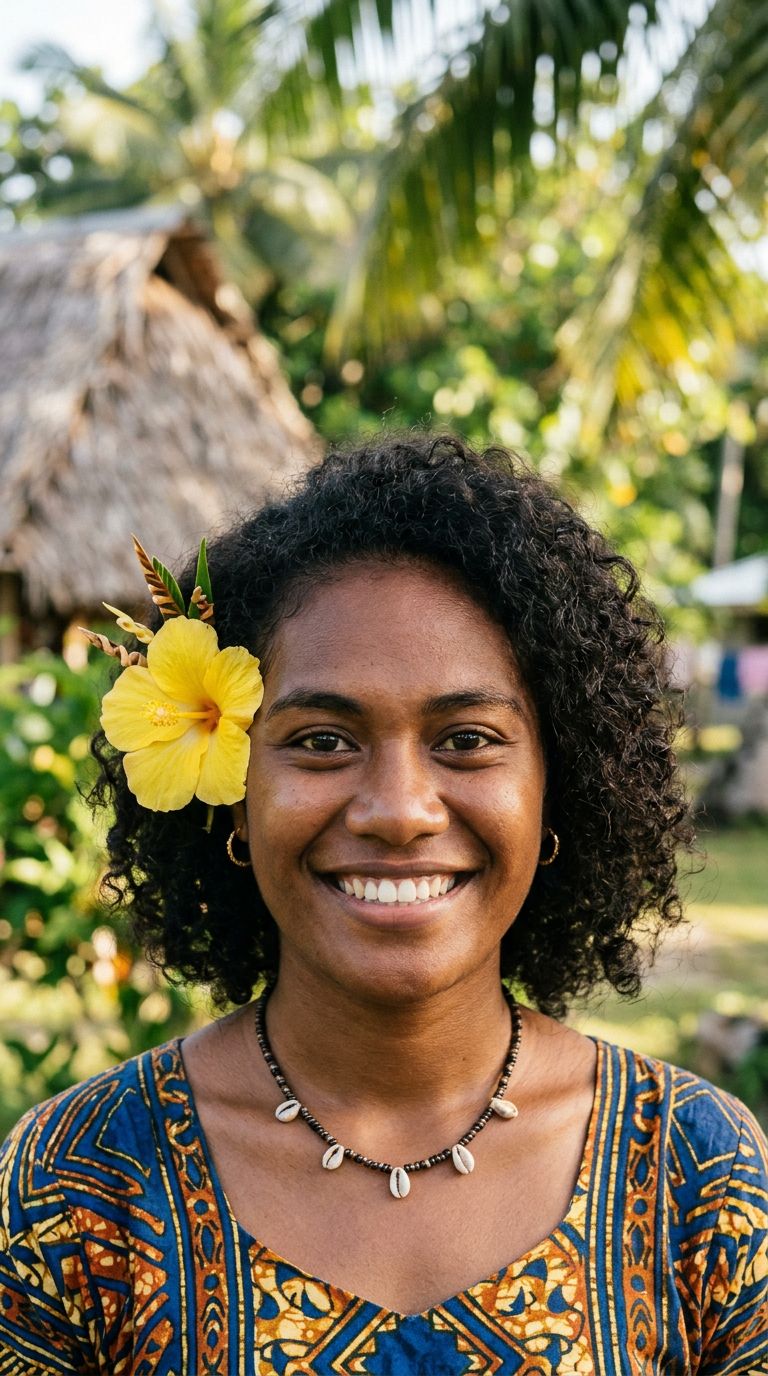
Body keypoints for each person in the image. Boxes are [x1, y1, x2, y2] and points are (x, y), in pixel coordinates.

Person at [1, 434, 766, 1374]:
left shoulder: (698, 1177)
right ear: (233, 790)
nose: (400, 810)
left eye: (469, 739)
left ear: (557, 786)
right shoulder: (78, 1187)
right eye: (322, 740)